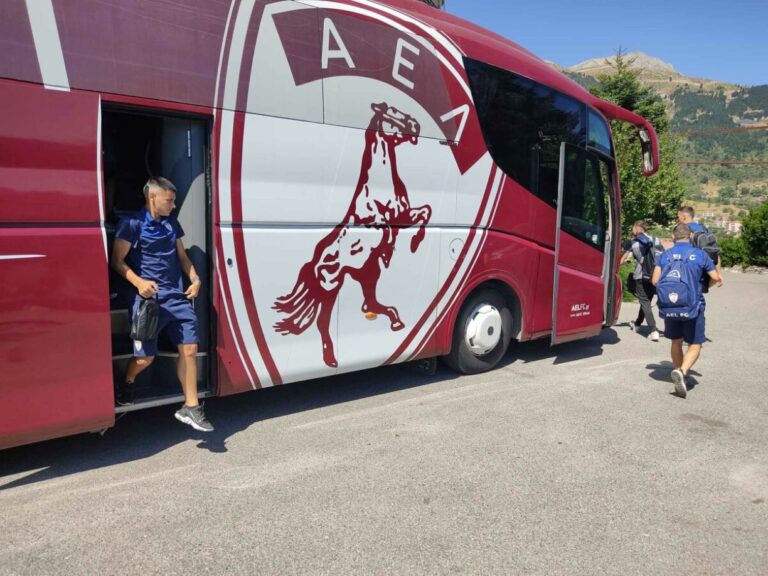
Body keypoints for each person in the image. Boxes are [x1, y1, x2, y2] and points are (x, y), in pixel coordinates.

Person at [111, 177, 213, 432]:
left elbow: (182, 257)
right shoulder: (131, 224)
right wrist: (139, 282)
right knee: (145, 359)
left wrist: (195, 279)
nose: (174, 205)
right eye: (170, 200)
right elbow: (117, 261)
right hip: (148, 302)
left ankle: (191, 407)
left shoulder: (172, 224)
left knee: (189, 349)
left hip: (177, 298)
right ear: (152, 197)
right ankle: (127, 381)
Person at [652, 223, 720, 398]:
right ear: (690, 237)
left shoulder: (665, 255)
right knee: (695, 344)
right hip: (693, 305)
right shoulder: (700, 254)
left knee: (676, 342)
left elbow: (655, 280)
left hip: (670, 306)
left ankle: (678, 370)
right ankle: (682, 371)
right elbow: (715, 277)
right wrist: (703, 287)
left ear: (673, 237)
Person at [620, 220, 660, 341]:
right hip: (654, 275)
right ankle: (637, 324)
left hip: (641, 275)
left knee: (644, 302)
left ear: (637, 228)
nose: (632, 230)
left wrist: (626, 262)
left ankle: (653, 330)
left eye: (633, 228)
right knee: (646, 301)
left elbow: (621, 260)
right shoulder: (656, 240)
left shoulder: (633, 242)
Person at [677, 206, 724, 288]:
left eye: (678, 217)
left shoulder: (682, 230)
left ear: (683, 216)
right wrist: (718, 273)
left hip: (687, 275)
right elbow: (715, 252)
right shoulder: (705, 229)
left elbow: (677, 252)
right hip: (705, 273)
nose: (677, 219)